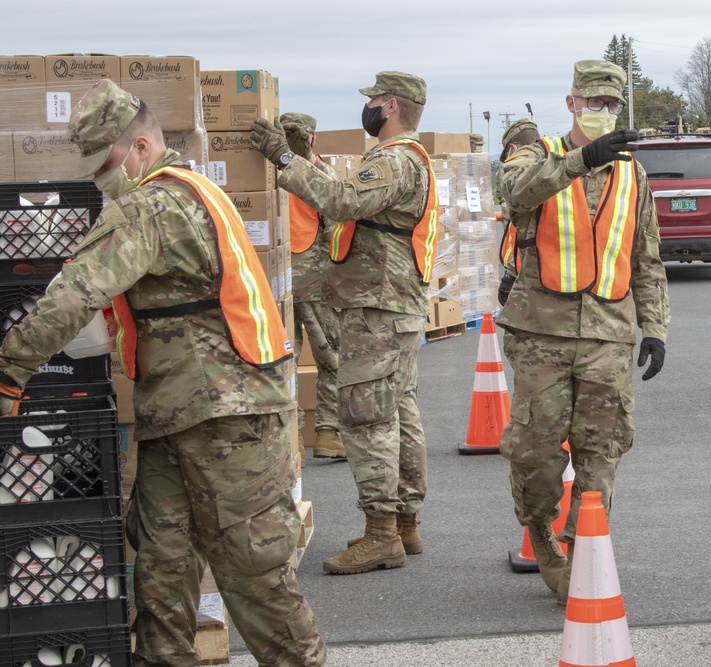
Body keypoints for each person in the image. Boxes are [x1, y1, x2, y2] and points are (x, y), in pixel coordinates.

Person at [0, 80, 325, 666]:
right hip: (180, 416)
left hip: (229, 422)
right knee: (161, 568)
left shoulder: (152, 206)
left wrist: (7, 372)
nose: (100, 182)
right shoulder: (193, 190)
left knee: (256, 580)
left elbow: (74, 293)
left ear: (141, 148)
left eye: (105, 166)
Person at [496, 59, 669, 604]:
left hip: (607, 336)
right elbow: (516, 193)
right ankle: (543, 537)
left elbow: (647, 257)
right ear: (571, 103)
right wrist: (579, 160)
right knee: (535, 452)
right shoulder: (536, 155)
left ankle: (582, 551)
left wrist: (655, 327)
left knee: (602, 450)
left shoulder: (633, 175)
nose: (603, 112)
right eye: (593, 102)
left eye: (612, 104)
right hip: (540, 334)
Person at [251, 71, 435, 575]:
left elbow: (342, 201)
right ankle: (404, 523)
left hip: (379, 309)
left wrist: (283, 159)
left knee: (367, 418)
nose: (368, 107)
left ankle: (382, 535)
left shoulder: (395, 160)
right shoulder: (404, 159)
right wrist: (304, 160)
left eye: (374, 99)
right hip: (391, 305)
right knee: (398, 412)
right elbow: (349, 199)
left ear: (391, 105)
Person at [280, 112, 346, 460]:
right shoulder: (321, 173)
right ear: (313, 140)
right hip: (316, 278)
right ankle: (327, 434)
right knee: (331, 358)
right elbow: (337, 228)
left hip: (277, 278)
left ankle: (292, 441)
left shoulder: (271, 172)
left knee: (283, 360)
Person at [497, 117, 540, 308]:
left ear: (513, 148)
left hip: (527, 273)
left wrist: (511, 274)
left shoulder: (520, 176)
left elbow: (520, 233)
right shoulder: (555, 168)